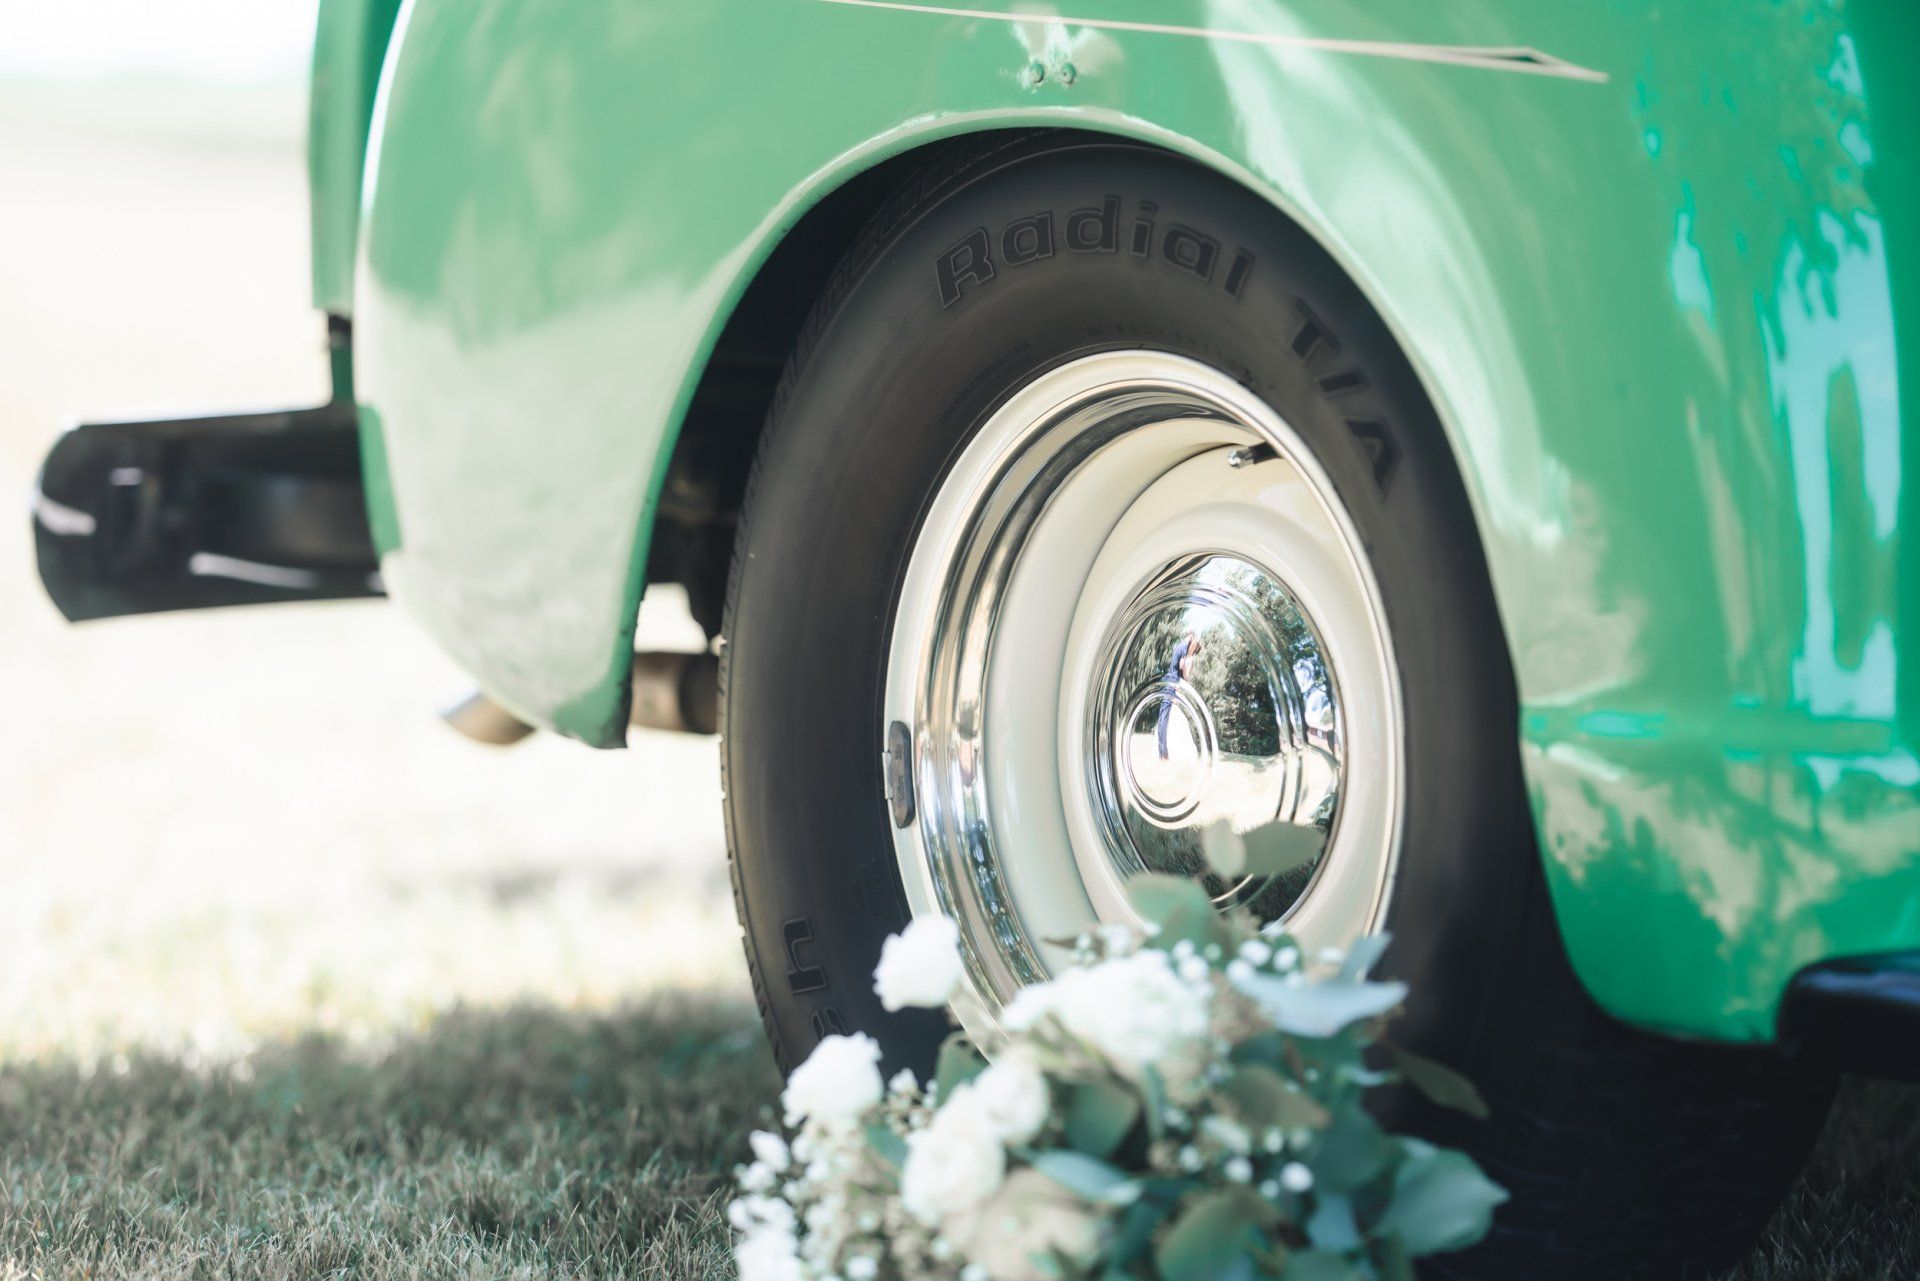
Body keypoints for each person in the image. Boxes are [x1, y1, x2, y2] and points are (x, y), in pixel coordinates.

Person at [1156, 631, 1203, 759]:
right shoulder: (1183, 648)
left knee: (1167, 719)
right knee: (1164, 719)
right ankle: (1162, 753)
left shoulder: (1186, 651)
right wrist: (1188, 659)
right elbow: (1184, 674)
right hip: (1172, 685)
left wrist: (1189, 659)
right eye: (1193, 643)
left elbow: (1185, 676)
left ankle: (1165, 752)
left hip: (1174, 686)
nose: (1191, 644)